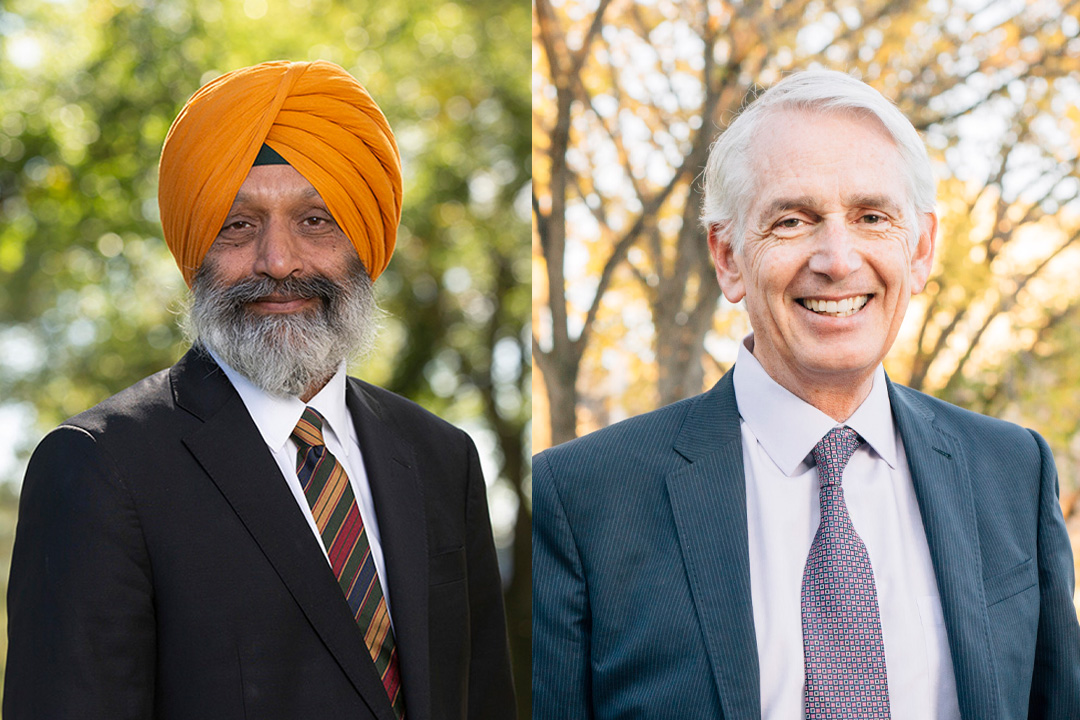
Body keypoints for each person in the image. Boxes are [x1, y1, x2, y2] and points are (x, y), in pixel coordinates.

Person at [533, 69, 1080, 719]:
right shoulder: (580, 500)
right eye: (792, 220)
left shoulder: (1013, 471)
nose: (838, 259)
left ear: (922, 248)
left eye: (872, 217)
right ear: (729, 257)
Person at [5, 60, 515, 720]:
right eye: (238, 226)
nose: (279, 262)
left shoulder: (443, 458)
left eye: (316, 220)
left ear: (365, 239)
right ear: (196, 251)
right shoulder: (100, 467)